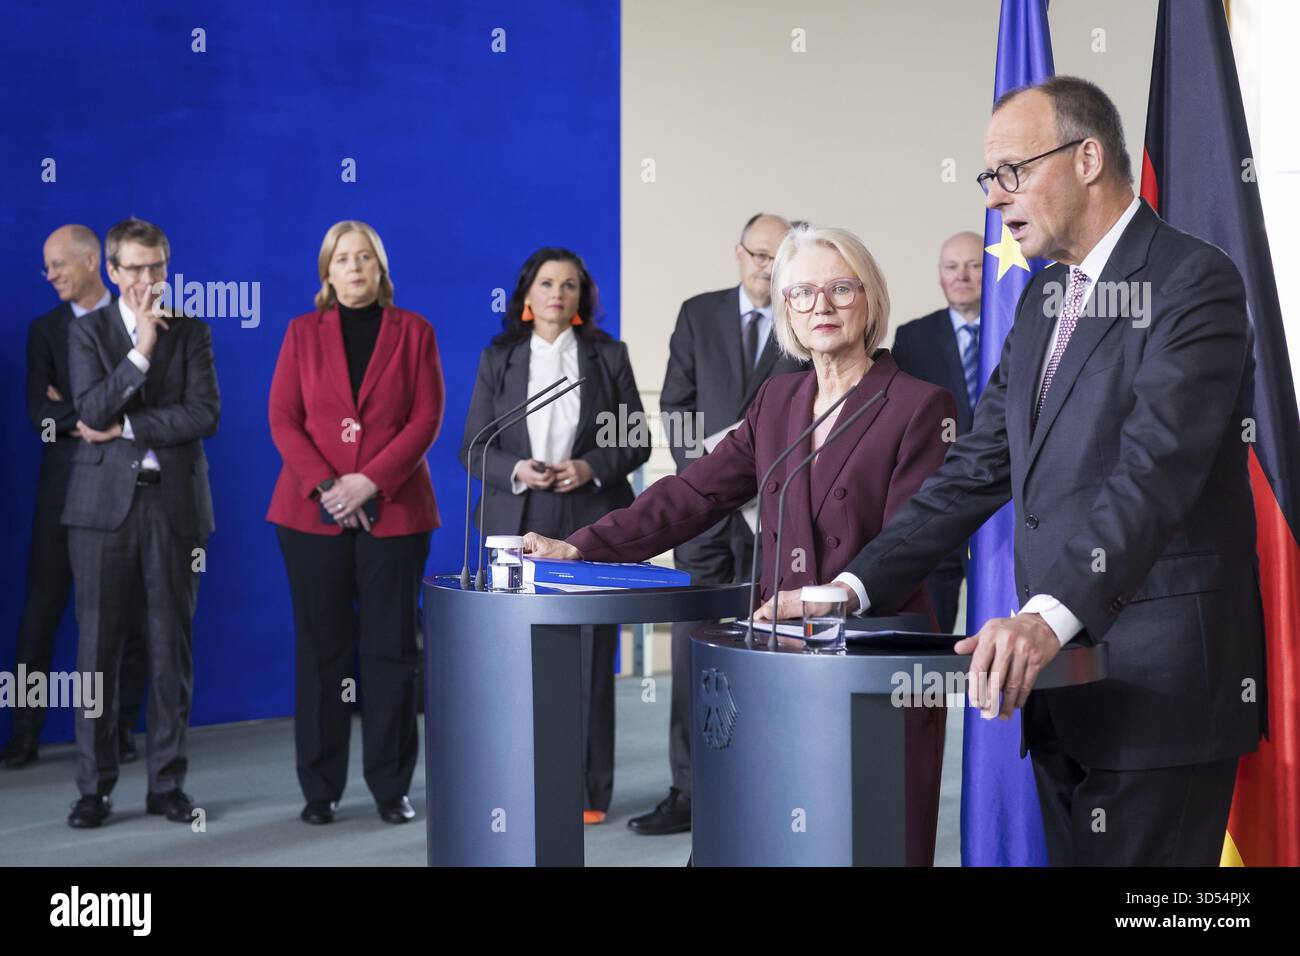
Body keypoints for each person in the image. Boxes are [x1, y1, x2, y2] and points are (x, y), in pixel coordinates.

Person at [764, 77, 1267, 866]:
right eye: (987, 178)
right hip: (1060, 684)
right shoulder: (1044, 301)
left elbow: (1155, 471)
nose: (996, 198)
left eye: (1012, 171)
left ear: (1089, 157)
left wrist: (1046, 615)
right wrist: (853, 586)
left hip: (1159, 683)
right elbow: (977, 466)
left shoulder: (1191, 281)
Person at [526, 225, 955, 860]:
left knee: (857, 844)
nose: (822, 306)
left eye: (840, 288)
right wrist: (583, 546)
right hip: (773, 662)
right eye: (803, 293)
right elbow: (693, 494)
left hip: (867, 668)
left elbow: (913, 540)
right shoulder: (778, 399)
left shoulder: (918, 404)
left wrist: (832, 597)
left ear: (870, 299)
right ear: (786, 308)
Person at [461, 247, 650, 825]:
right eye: (547, 283)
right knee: (517, 658)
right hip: (516, 521)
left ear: (581, 298)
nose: (557, 294)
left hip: (587, 517)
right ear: (527, 295)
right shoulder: (500, 358)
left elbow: (636, 436)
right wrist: (518, 470)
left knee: (590, 658)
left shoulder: (607, 355)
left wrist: (591, 465)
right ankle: (517, 781)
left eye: (570, 285)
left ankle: (589, 791)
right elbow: (474, 446)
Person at [635, 212, 807, 835]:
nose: (766, 268)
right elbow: (675, 407)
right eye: (759, 255)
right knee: (694, 651)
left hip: (778, 517)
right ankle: (687, 788)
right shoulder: (698, 313)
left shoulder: (802, 317)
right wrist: (709, 478)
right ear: (738, 253)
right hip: (705, 518)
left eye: (778, 257)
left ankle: (766, 787)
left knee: (772, 648)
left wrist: (757, 484)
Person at [267, 220, 444, 826]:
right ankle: (320, 790)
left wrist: (368, 482)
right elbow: (283, 419)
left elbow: (426, 419)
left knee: (392, 650)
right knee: (322, 651)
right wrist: (328, 488)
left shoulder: (415, 332)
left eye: (365, 258)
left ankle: (390, 787)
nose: (355, 268)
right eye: (343, 259)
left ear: (380, 268)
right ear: (327, 272)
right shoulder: (300, 333)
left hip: (394, 511)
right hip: (309, 515)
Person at [63, 218, 220, 828]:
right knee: (96, 653)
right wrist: (142, 350)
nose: (147, 280)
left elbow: (204, 414)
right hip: (100, 514)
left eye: (156, 267)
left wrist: (127, 428)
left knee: (168, 653)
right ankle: (94, 789)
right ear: (112, 271)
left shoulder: (195, 330)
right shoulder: (87, 333)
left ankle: (166, 784)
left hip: (173, 508)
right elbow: (90, 407)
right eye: (133, 268)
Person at [4, 226, 148, 770]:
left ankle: (121, 730)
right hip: (61, 497)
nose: (50, 275)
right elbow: (39, 419)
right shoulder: (44, 331)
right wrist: (100, 416)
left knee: (124, 620)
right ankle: (24, 736)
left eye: (58, 264)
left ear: (92, 261)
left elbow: (148, 400)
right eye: (45, 267)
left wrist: (83, 410)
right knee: (40, 615)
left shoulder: (134, 322)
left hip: (128, 493)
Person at [890, 231, 983, 633]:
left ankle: (997, 698)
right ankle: (933, 694)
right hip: (940, 492)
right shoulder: (913, 338)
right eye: (951, 267)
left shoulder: (1019, 326)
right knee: (935, 622)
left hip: (1007, 501)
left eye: (974, 264)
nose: (961, 275)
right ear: (940, 276)